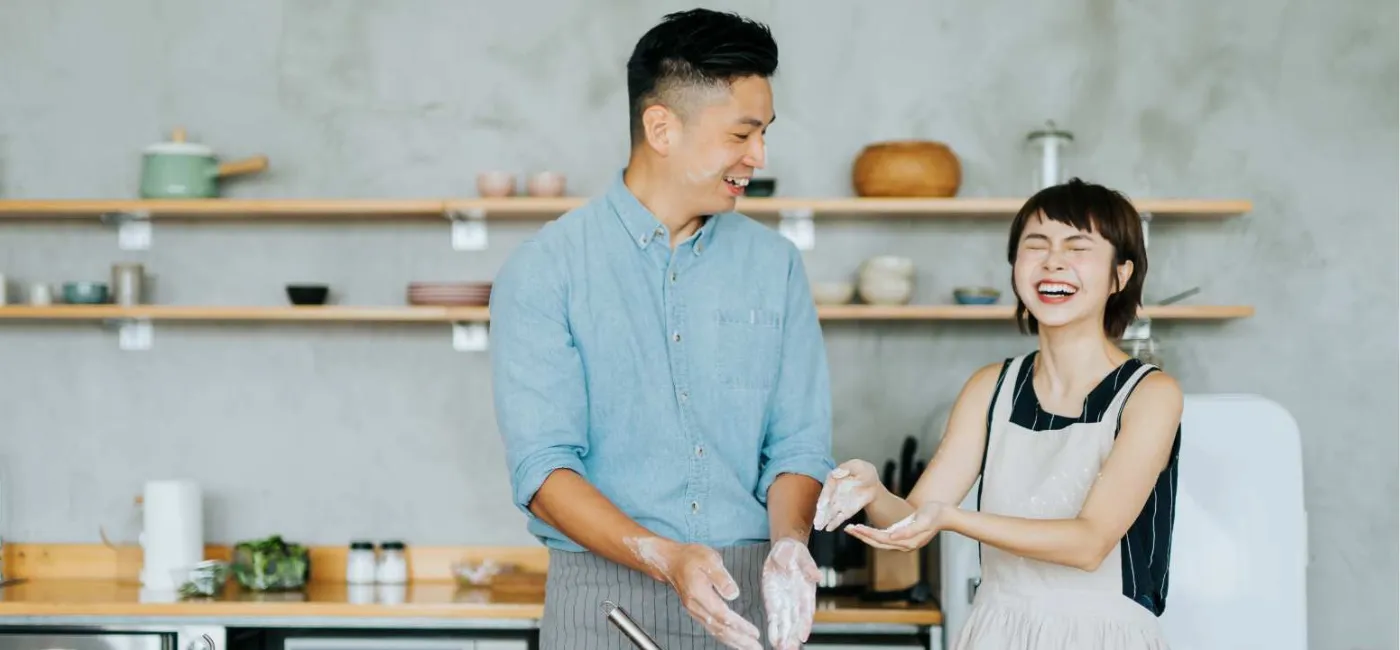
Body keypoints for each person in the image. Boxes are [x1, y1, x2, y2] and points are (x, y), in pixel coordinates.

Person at [490, 9, 833, 650]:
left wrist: (789, 545)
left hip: (747, 600)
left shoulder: (775, 266)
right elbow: (543, 471)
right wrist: (662, 556)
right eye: (741, 134)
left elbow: (797, 447)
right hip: (601, 597)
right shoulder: (547, 268)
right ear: (661, 128)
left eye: (763, 134)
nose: (757, 156)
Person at [813, 179, 1183, 650]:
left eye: (1078, 246)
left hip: (1104, 636)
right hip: (996, 631)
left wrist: (952, 518)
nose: (1054, 261)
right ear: (1015, 267)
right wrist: (873, 490)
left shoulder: (1150, 394)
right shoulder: (991, 388)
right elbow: (910, 521)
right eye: (1036, 244)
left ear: (1120, 275)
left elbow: (1089, 543)